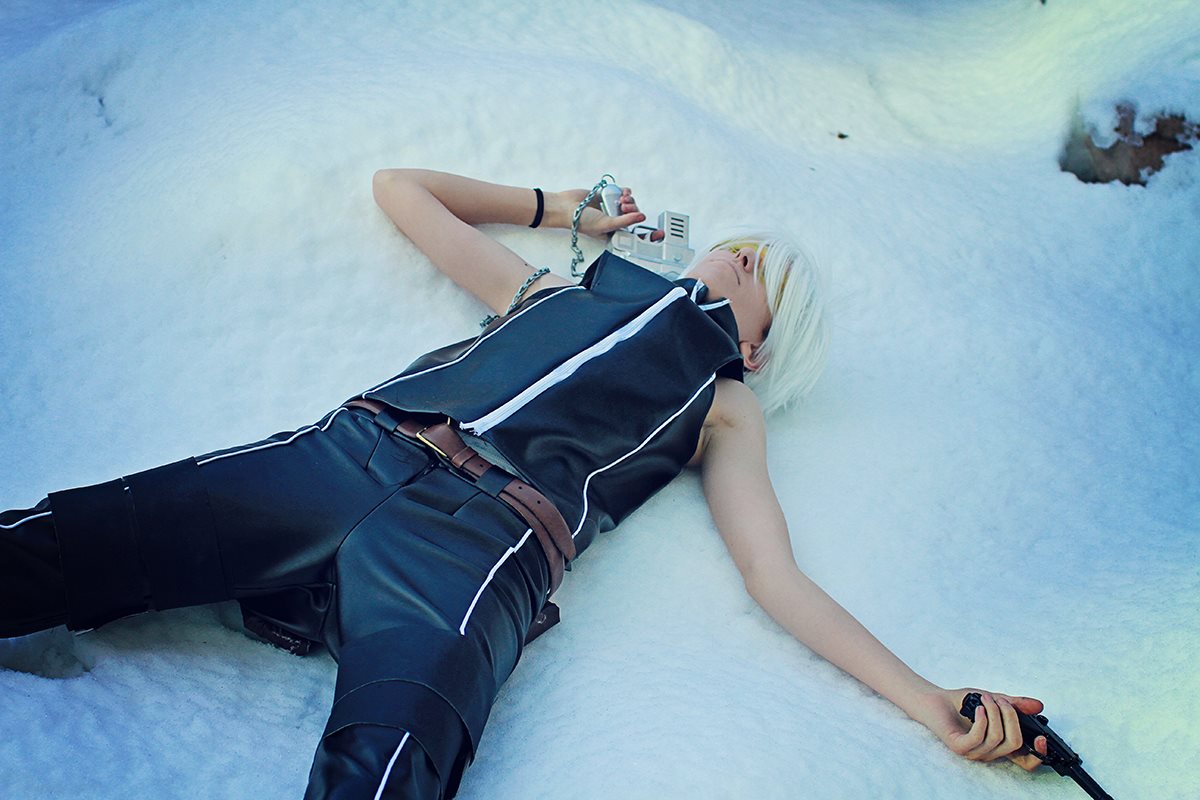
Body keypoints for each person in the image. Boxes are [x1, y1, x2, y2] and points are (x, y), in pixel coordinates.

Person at [0, 168, 1049, 799]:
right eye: (739, 246)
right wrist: (565, 208)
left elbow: (777, 579)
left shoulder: (725, 408)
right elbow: (400, 189)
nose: (741, 257)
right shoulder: (550, 290)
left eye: (763, 274)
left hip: (472, 556)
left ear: (761, 348)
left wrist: (930, 702)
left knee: (394, 767)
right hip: (353, 453)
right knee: (73, 540)